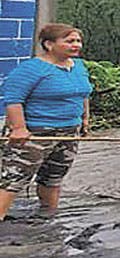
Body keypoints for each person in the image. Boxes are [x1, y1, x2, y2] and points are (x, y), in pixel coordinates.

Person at [0, 24, 94, 220]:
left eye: (78, 41)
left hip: (69, 132)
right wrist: (18, 128)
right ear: (49, 44)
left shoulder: (78, 66)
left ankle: (47, 218)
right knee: (14, 179)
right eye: (69, 41)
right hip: (35, 133)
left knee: (54, 177)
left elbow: (83, 94)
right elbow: (13, 99)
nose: (76, 45)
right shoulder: (32, 69)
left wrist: (85, 119)